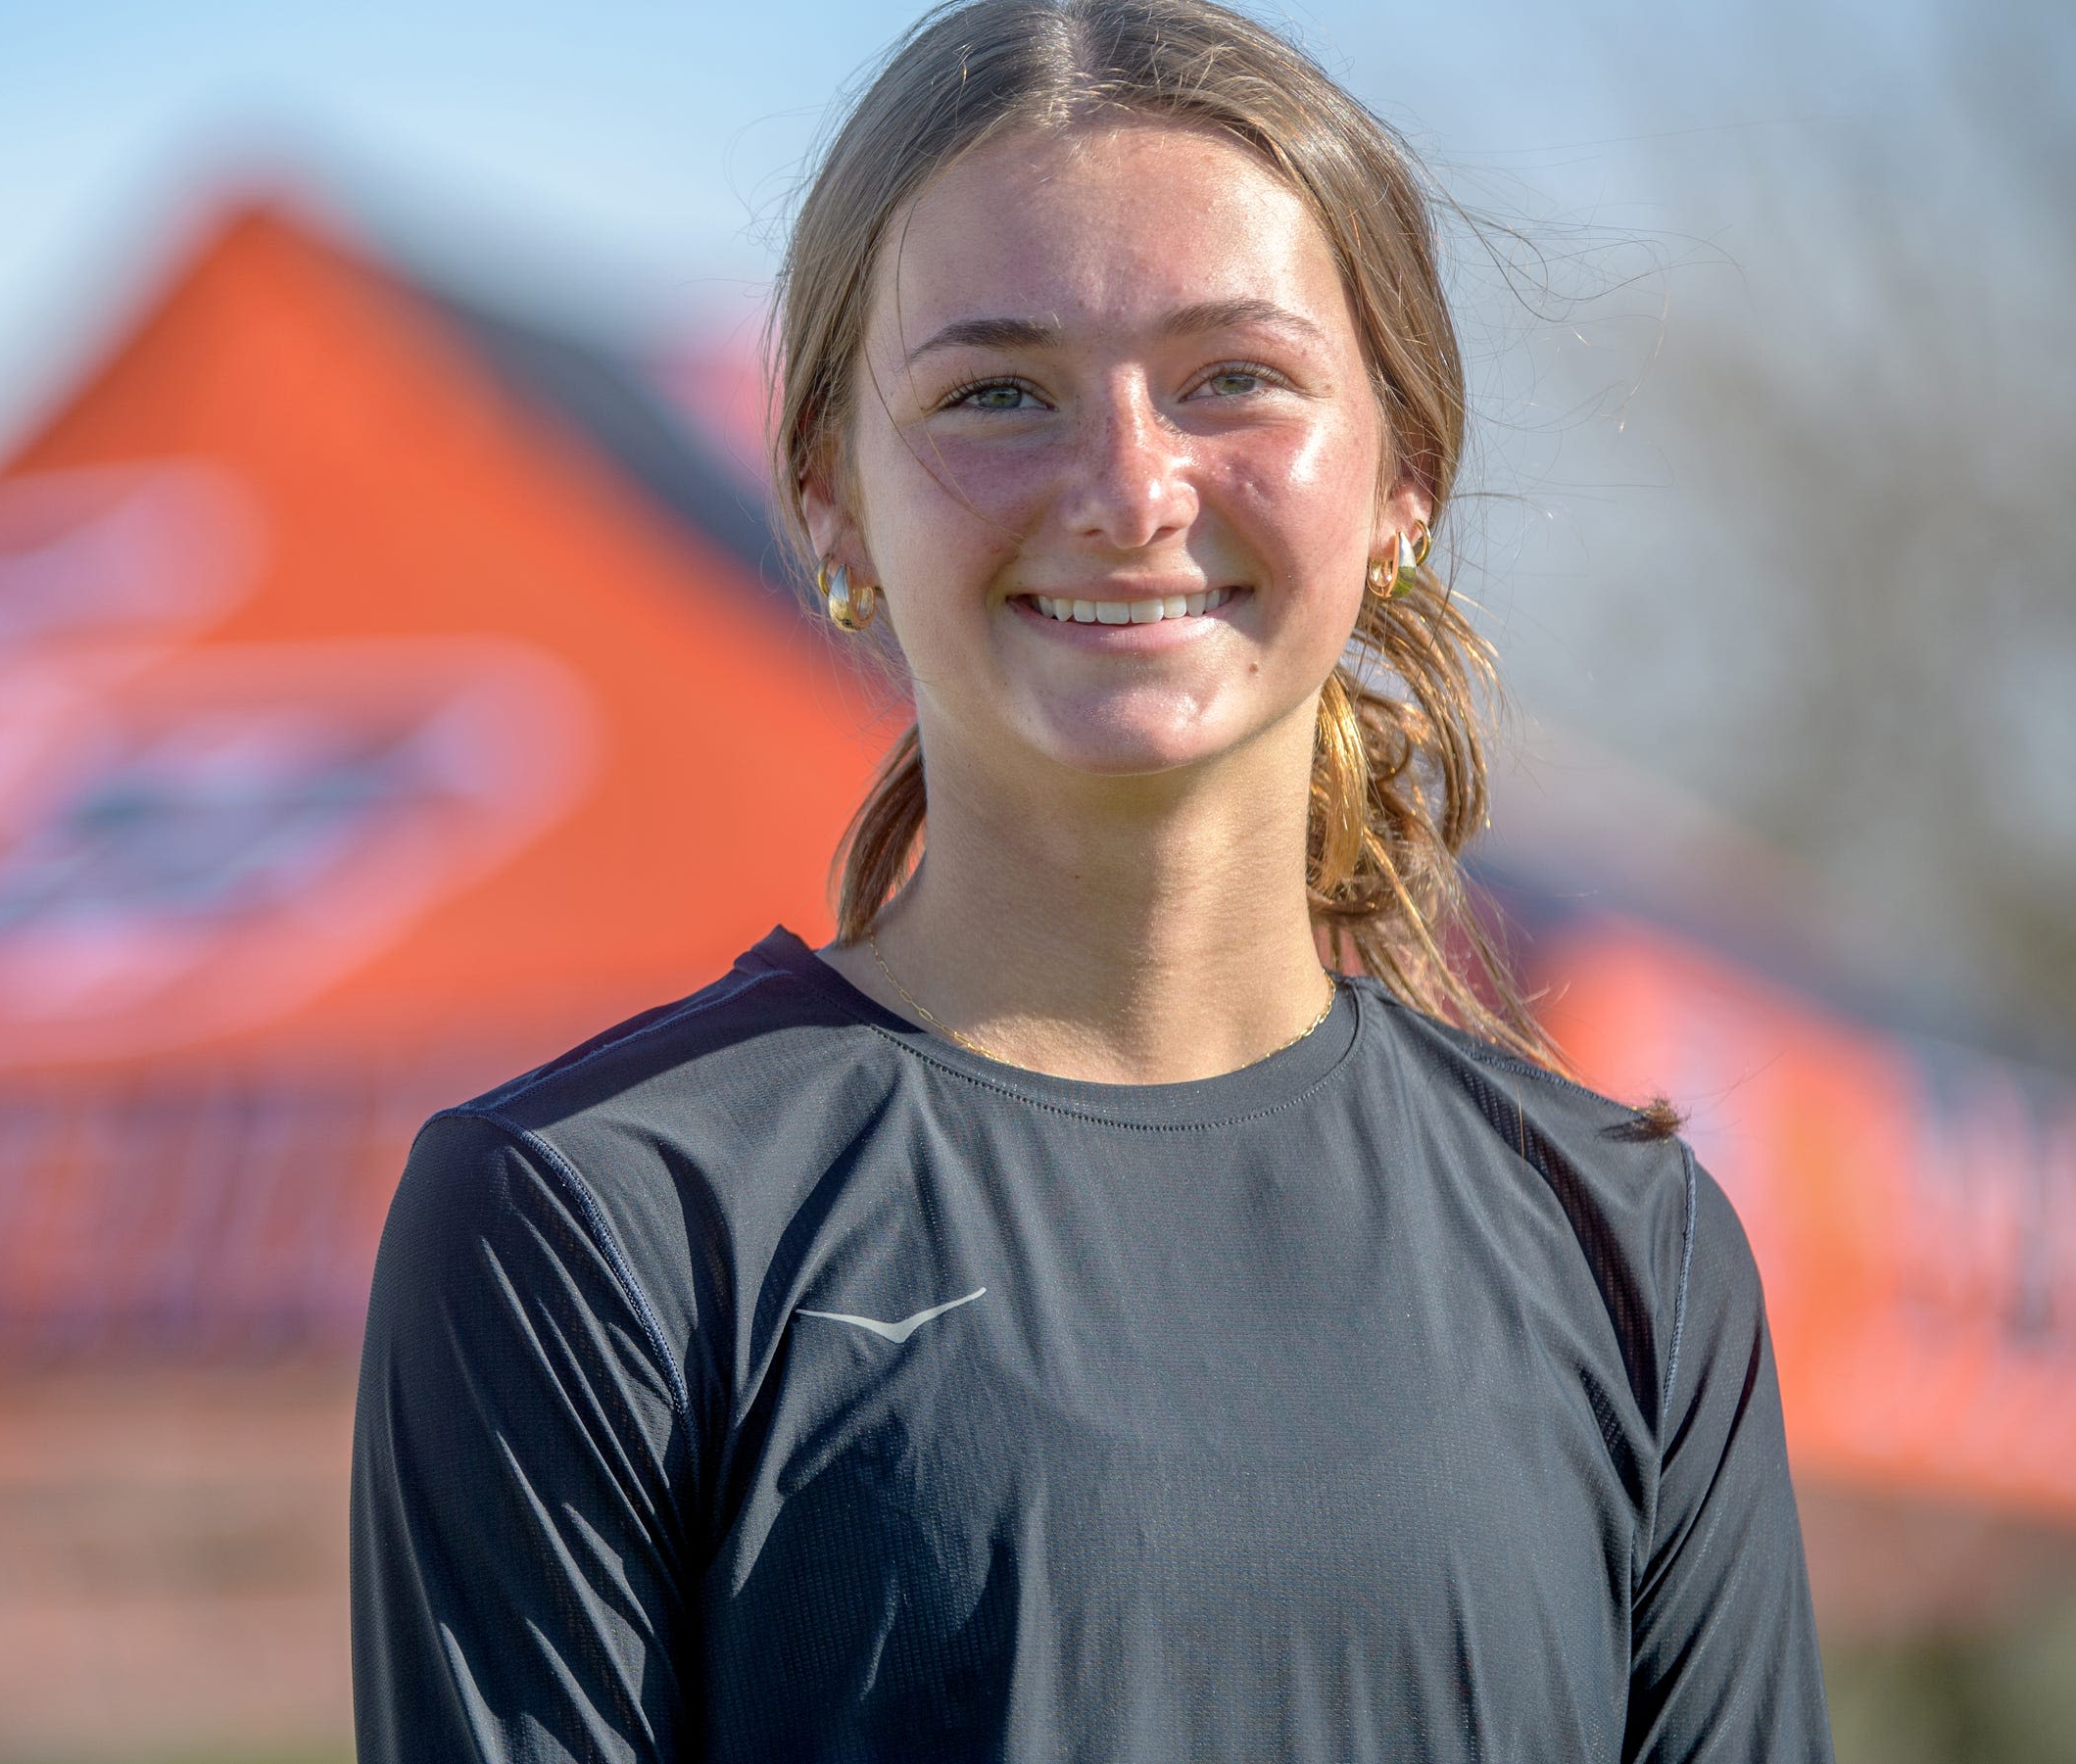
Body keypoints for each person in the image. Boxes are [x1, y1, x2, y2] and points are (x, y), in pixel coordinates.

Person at [350, 1, 1832, 1757]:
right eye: (997, 393)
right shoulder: (593, 1225)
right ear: (829, 499)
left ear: (1403, 471)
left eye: (1234, 378)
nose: (1129, 488)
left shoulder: (1635, 1256)